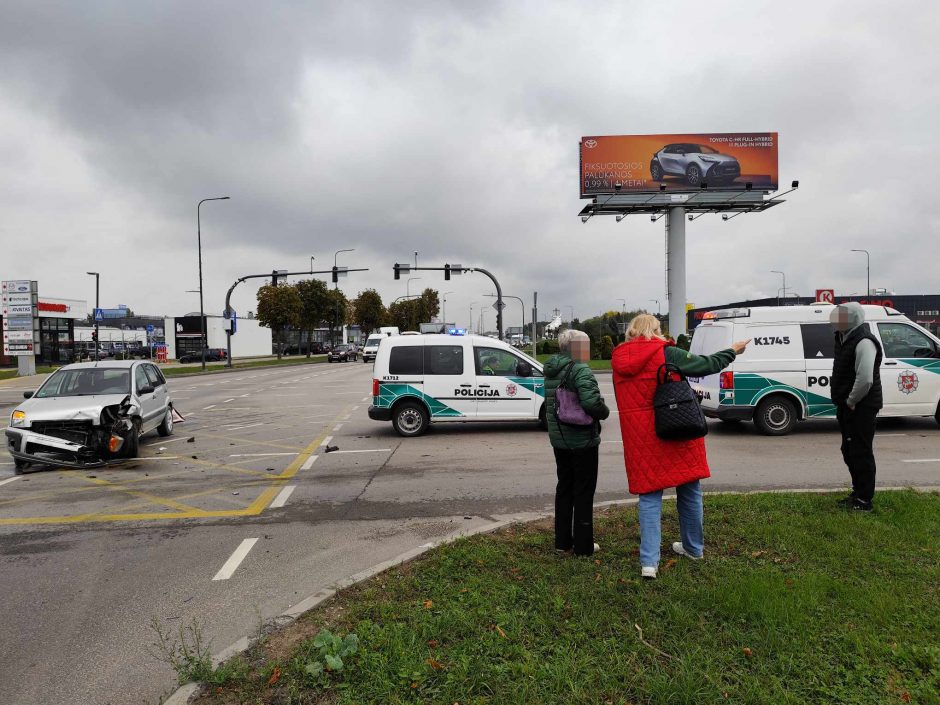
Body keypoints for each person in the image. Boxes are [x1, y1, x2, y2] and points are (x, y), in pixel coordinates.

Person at [612, 314, 748, 579]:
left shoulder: (618, 360)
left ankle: (649, 563)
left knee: (649, 497)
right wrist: (733, 350)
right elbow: (707, 365)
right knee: (689, 489)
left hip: (642, 438)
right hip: (677, 428)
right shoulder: (666, 352)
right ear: (655, 330)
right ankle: (693, 548)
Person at [544, 329, 610, 556]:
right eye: (585, 345)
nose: (588, 350)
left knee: (564, 489)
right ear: (574, 348)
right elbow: (591, 403)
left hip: (559, 438)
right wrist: (605, 411)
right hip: (582, 440)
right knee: (583, 491)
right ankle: (583, 546)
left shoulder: (552, 369)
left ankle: (562, 542)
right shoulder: (580, 369)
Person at [830, 302, 882, 511]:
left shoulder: (863, 341)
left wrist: (851, 400)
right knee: (849, 450)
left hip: (861, 406)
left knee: (860, 451)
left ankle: (864, 500)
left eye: (842, 317)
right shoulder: (843, 337)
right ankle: (858, 491)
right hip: (848, 405)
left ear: (853, 319)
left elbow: (865, 379)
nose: (836, 321)